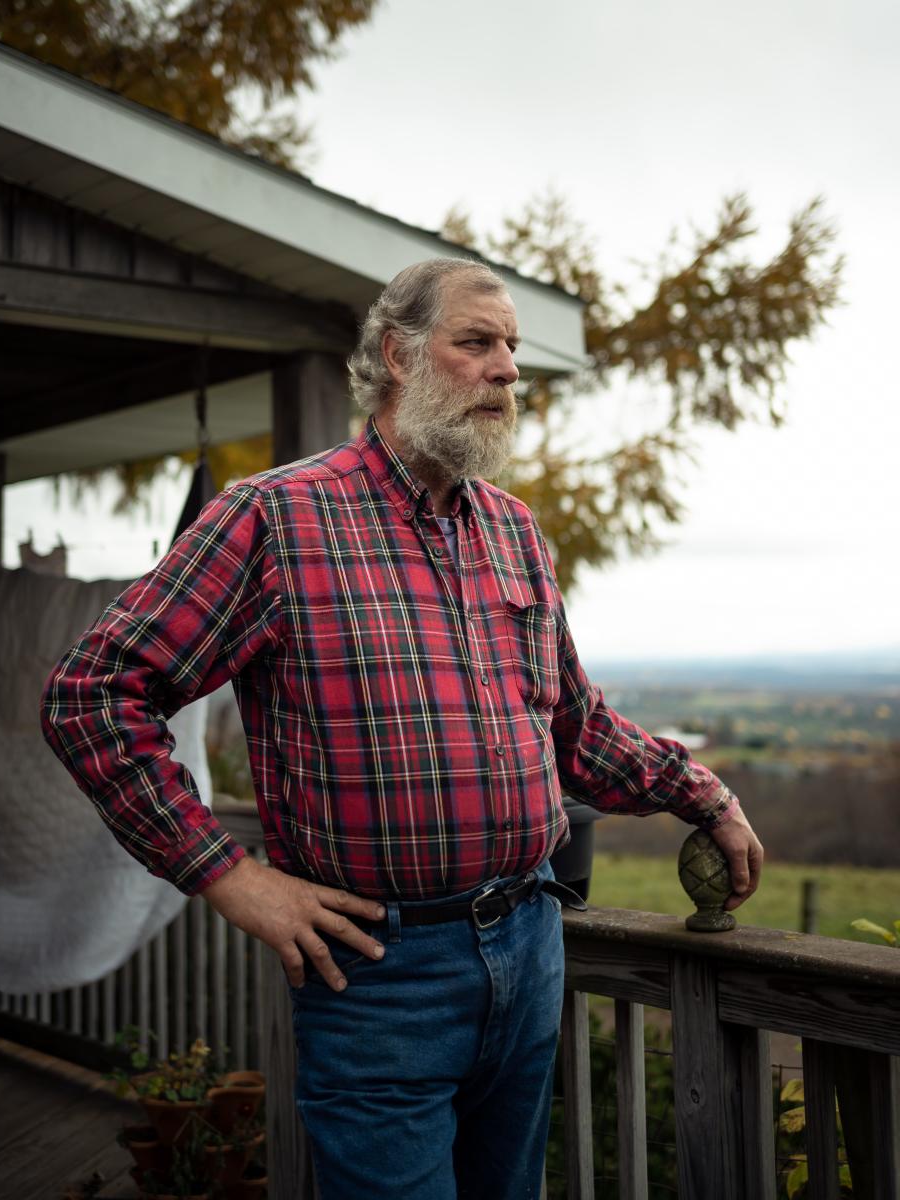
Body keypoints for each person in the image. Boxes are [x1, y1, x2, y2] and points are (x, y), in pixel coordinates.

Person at [42, 257, 763, 1200]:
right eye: (478, 342)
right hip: (380, 977)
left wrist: (702, 793)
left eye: (512, 347)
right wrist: (226, 874)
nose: (508, 368)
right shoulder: (275, 520)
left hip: (531, 943)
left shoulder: (512, 533)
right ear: (398, 354)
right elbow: (92, 696)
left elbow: (573, 729)